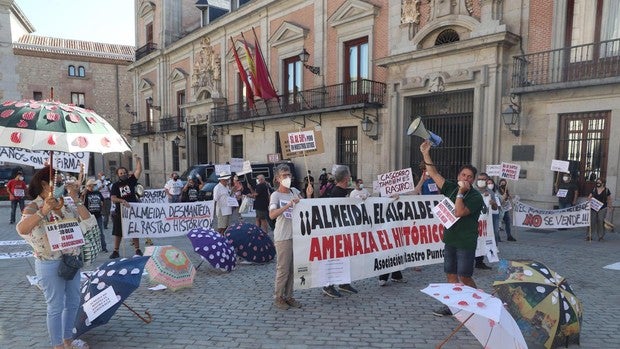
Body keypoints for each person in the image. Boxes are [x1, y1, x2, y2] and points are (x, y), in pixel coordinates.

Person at [16, 166, 95, 349]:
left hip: (71, 260)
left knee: (74, 301)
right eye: (58, 182)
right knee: (55, 305)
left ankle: (68, 340)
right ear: (45, 184)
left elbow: (88, 220)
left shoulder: (64, 204)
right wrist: (44, 211)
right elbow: (22, 229)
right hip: (49, 262)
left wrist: (75, 199)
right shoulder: (34, 206)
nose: (62, 184)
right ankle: (58, 345)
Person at [419, 140, 484, 317]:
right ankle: (452, 305)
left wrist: (461, 193)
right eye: (463, 175)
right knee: (450, 275)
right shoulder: (451, 187)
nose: (466, 179)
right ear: (459, 176)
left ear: (473, 180)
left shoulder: (476, 197)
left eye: (470, 177)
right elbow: (433, 174)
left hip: (465, 242)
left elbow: (459, 211)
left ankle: (478, 302)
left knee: (464, 276)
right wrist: (426, 153)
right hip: (450, 239)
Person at [269, 164, 310, 310]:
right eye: (284, 176)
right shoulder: (276, 195)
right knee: (283, 268)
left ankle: (289, 296)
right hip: (283, 236)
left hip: (296, 235)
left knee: (293, 268)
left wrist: (309, 195)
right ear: (278, 178)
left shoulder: (294, 191)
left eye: (289, 175)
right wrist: (288, 206)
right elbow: (272, 215)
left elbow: (306, 206)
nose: (288, 178)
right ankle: (278, 297)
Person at [322, 165, 360, 298]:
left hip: (345, 231)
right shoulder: (336, 192)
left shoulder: (344, 191)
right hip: (336, 231)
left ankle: (344, 282)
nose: (351, 178)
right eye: (349, 175)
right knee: (334, 259)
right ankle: (328, 285)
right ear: (345, 178)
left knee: (345, 258)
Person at [109, 155, 143, 258]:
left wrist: (138, 160)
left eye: (124, 172)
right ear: (118, 175)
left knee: (134, 229)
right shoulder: (115, 185)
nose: (123, 174)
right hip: (121, 211)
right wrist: (122, 201)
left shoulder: (131, 180)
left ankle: (137, 249)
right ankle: (116, 251)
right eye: (121, 173)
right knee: (118, 231)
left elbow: (138, 170)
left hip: (132, 209)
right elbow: (113, 198)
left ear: (127, 173)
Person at [473, 173, 493, 270]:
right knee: (473, 241)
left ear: (487, 180)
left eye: (483, 179)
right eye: (480, 179)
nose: (481, 181)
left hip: (484, 223)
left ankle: (479, 262)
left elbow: (496, 206)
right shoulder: (472, 190)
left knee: (482, 241)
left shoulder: (490, 192)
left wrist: (492, 202)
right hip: (473, 221)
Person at [82, 178, 107, 252]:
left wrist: (101, 205)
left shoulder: (98, 193)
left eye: (95, 185)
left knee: (100, 232)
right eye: (93, 185)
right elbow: (81, 202)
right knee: (90, 233)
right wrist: (83, 194)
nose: (95, 186)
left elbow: (102, 200)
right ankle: (93, 248)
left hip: (98, 215)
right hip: (89, 216)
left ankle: (103, 247)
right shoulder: (85, 193)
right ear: (89, 186)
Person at [486, 178, 502, 244]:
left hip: (495, 214)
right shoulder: (484, 193)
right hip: (487, 215)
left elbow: (499, 206)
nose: (490, 185)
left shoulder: (496, 193)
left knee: (495, 231)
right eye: (488, 183)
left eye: (491, 183)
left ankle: (495, 246)